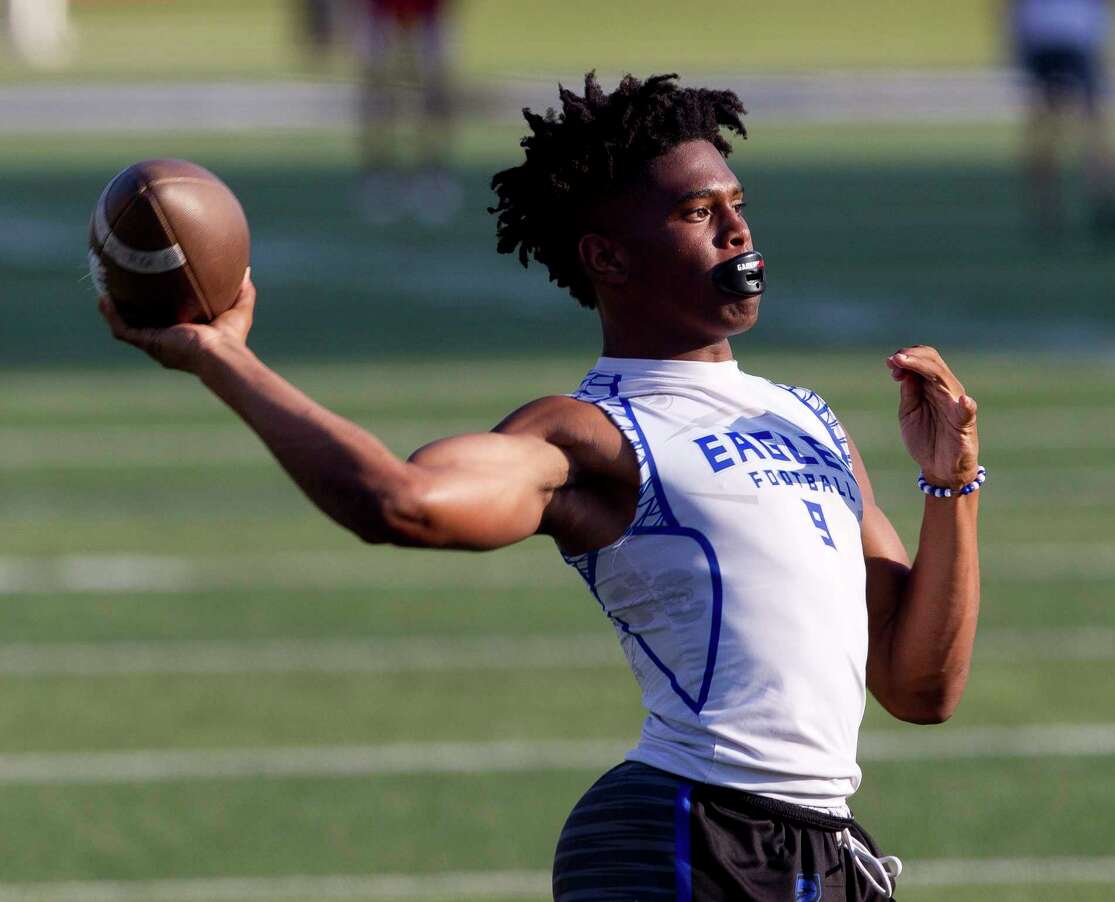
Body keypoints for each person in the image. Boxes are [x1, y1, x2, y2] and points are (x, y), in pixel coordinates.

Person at [99, 73, 983, 901]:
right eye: (696, 211)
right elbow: (400, 502)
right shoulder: (588, 434)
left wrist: (952, 488)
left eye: (738, 207)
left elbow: (919, 686)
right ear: (607, 256)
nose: (736, 232)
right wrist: (223, 359)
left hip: (815, 848)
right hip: (687, 834)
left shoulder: (810, 420)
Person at [1006, 0, 1115, 242]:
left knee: (1046, 127)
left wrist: (1013, 41)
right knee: (1094, 124)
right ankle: (1105, 197)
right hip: (1078, 34)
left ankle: (1047, 208)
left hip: (1041, 35)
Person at [356, 0, 461, 226]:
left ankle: (433, 161)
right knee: (376, 88)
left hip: (428, 11)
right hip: (381, 11)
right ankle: (379, 162)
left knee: (435, 88)